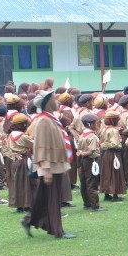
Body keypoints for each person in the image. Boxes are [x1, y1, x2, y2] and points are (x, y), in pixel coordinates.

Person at [23, 90, 75, 237]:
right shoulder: (44, 121)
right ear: (46, 103)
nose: (57, 100)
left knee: (44, 197)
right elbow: (41, 146)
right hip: (50, 166)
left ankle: (29, 220)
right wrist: (46, 169)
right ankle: (57, 230)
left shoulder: (51, 119)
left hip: (56, 164)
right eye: (53, 98)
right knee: (53, 199)